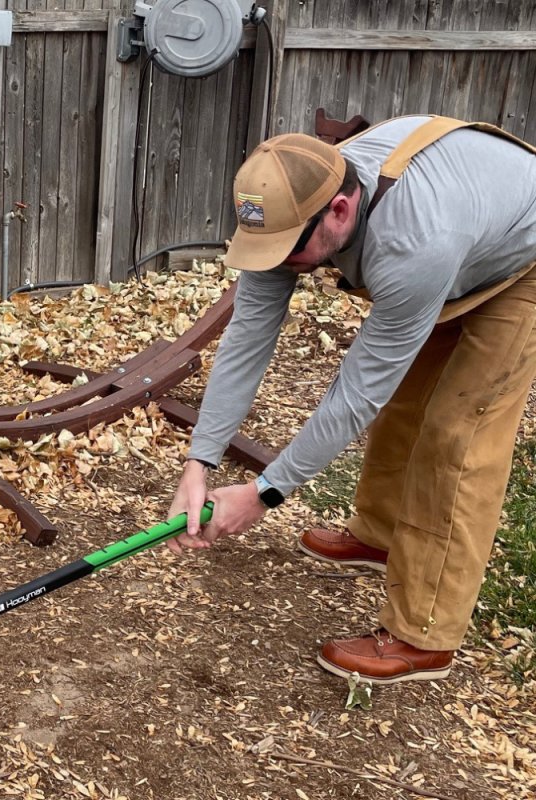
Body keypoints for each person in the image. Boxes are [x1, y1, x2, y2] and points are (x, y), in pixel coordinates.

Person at [167, 115, 536, 684]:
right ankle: (379, 536)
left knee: (456, 433)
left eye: (288, 251)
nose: (278, 261)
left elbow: (357, 391)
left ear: (339, 211)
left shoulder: (415, 242)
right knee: (406, 402)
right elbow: (247, 338)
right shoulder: (289, 209)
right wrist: (200, 461)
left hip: (522, 257)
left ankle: (424, 635)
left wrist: (265, 493)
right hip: (463, 233)